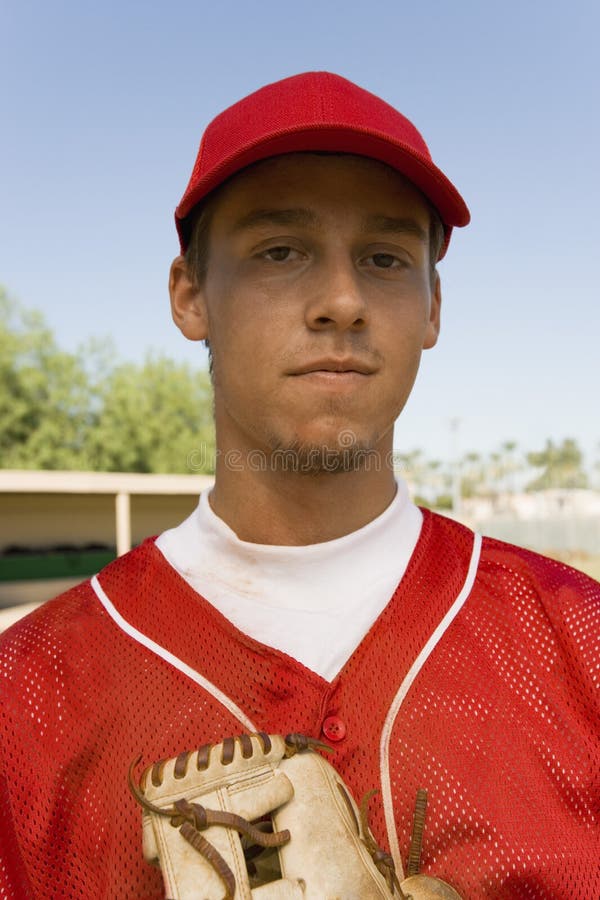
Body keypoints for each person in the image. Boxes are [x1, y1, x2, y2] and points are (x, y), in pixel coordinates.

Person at [0, 72, 598, 899]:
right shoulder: (24, 695)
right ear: (189, 294)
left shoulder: (580, 645)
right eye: (280, 251)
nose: (344, 300)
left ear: (432, 307)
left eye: (386, 258)